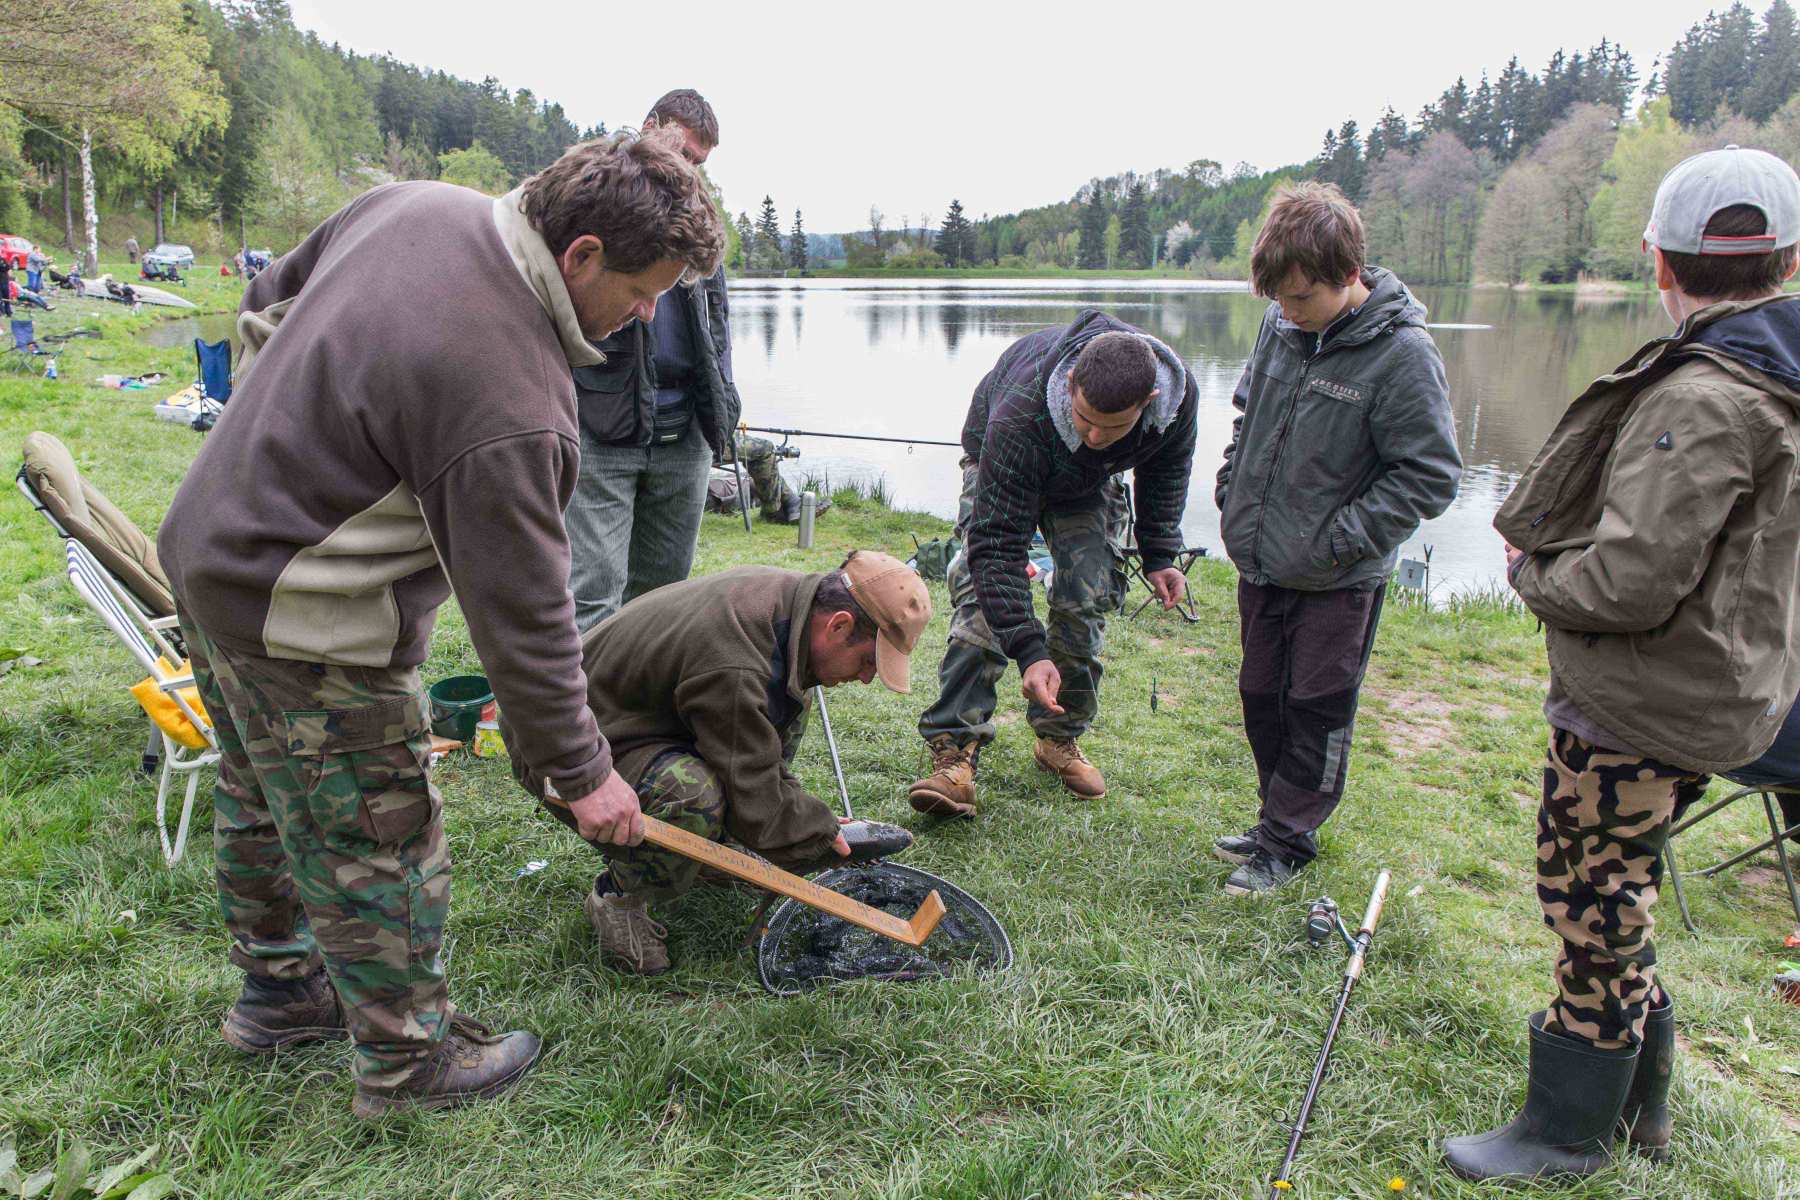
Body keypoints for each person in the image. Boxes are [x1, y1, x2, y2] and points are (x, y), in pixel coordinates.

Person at [155, 127, 724, 1119]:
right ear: (583, 253)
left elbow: (265, 301)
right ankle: (408, 1063)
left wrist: (276, 445)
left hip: (207, 554)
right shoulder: (512, 391)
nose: (645, 317)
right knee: (381, 827)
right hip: (308, 617)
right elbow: (526, 622)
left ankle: (281, 994)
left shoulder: (416, 203)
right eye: (642, 293)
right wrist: (585, 774)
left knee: (261, 792)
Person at [1443, 145, 1800, 1182]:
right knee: (1623, 885)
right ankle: (1641, 1109)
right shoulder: (1777, 376)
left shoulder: (1709, 397)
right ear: (1787, 262)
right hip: (1724, 688)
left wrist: (1533, 574)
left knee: (1591, 897)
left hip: (1647, 702)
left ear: (1659, 261)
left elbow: (1630, 584)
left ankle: (1567, 1131)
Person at [505, 551, 931, 974]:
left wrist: (804, 820)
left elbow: (753, 750)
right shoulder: (738, 661)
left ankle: (714, 848)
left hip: (637, 722)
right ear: (838, 624)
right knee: (693, 796)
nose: (866, 678)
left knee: (786, 706)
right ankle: (617, 897)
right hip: (561, 751)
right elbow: (752, 789)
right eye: (867, 661)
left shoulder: (789, 605)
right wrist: (818, 839)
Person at [1211, 182, 1461, 895]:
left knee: (1315, 709)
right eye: (1276, 299)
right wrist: (1232, 487)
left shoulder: (1403, 355)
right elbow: (1248, 413)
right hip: (1263, 559)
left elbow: (1431, 474)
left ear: (1348, 274)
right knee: (1260, 695)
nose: (1287, 312)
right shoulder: (1279, 324)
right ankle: (1274, 821)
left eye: (1301, 298)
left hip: (1338, 577)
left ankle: (1287, 843)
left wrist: (1342, 538)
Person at [908, 315, 1197, 817]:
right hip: (1001, 459)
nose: (1094, 435)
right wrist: (1029, 649)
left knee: (1087, 592)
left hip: (1086, 484)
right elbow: (997, 549)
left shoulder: (1177, 399)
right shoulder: (1018, 415)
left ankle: (1059, 737)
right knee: (982, 597)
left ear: (1148, 402)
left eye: (1113, 427)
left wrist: (1159, 553)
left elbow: (1167, 470)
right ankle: (955, 748)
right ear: (1071, 383)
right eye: (1084, 418)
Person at [566, 89, 743, 630]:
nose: (689, 168)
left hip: (684, 434)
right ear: (650, 126)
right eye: (683, 152)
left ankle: (642, 689)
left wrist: (724, 401)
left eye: (698, 161)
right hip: (603, 428)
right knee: (593, 593)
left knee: (664, 599)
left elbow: (717, 324)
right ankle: (584, 689)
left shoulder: (699, 215)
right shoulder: (601, 195)